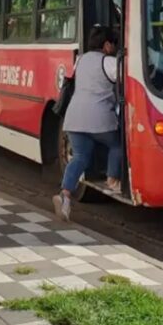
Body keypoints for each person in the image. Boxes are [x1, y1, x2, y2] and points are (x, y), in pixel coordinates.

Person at [53, 26, 121, 222]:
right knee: (117, 145)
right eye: (114, 44)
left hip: (74, 117)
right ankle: (112, 180)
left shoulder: (80, 59)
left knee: (80, 157)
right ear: (107, 45)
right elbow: (125, 79)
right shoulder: (109, 62)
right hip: (98, 118)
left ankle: (65, 195)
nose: (114, 48)